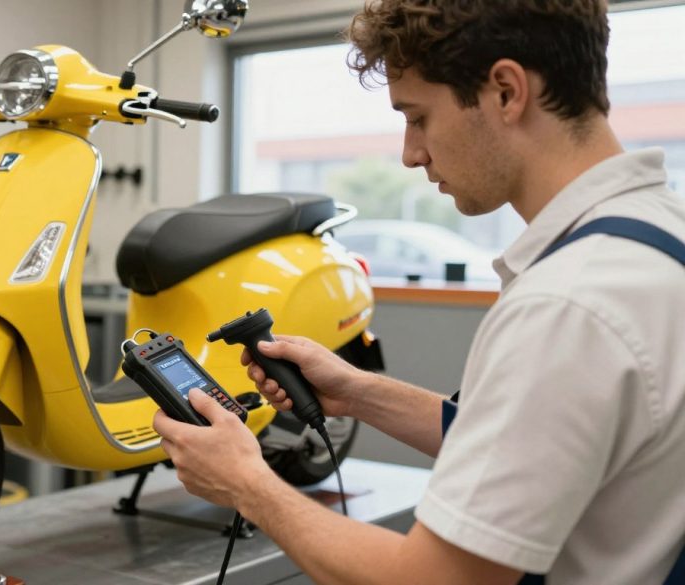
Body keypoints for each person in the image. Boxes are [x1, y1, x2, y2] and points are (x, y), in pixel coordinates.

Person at [151, 1, 685, 583]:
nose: (410, 154)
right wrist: (358, 392)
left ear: (506, 91)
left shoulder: (567, 306)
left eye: (418, 116)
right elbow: (538, 443)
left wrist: (246, 485)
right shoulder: (659, 236)